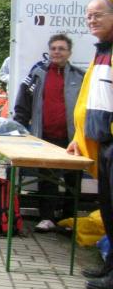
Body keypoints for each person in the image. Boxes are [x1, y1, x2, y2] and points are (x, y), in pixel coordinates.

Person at [14, 34, 84, 232]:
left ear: (69, 53)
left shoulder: (80, 76)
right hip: (45, 137)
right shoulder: (38, 73)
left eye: (61, 48)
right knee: (47, 179)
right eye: (53, 48)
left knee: (73, 180)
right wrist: (19, 126)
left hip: (73, 139)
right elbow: (23, 101)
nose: (57, 52)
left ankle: (69, 220)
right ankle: (47, 218)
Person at [68, 0, 113, 289]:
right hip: (103, 144)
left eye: (98, 15)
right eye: (88, 16)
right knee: (108, 209)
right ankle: (109, 268)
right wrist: (79, 137)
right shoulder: (102, 52)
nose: (91, 20)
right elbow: (89, 101)